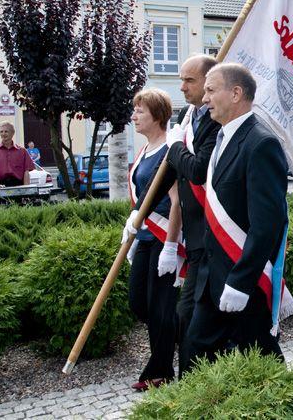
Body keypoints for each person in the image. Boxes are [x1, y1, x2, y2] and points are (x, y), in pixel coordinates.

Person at [186, 63, 293, 366]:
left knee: (261, 360)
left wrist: (240, 281)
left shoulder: (261, 143)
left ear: (236, 93)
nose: (204, 98)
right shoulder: (223, 137)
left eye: (210, 90)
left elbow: (267, 225)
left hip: (242, 281)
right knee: (195, 353)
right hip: (212, 278)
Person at [133, 54, 222, 375]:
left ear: (210, 83)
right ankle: (190, 380)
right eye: (181, 79)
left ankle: (189, 382)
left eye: (189, 80)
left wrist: (175, 149)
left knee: (193, 319)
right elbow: (170, 174)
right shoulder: (190, 116)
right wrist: (138, 214)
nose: (181, 86)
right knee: (188, 317)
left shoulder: (214, 121)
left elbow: (197, 171)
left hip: (215, 234)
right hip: (199, 237)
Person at [120, 88, 182, 391]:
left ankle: (160, 371)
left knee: (159, 308)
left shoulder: (170, 150)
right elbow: (140, 196)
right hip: (144, 237)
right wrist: (131, 224)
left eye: (139, 111)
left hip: (162, 238)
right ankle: (184, 333)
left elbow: (176, 202)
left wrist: (171, 246)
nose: (133, 116)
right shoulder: (145, 151)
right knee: (139, 302)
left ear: (157, 115)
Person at [0, 122, 34, 188]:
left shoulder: (22, 151)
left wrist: (26, 189)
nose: (3, 134)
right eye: (1, 132)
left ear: (12, 133)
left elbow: (26, 172)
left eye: (6, 131)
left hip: (19, 185)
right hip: (1, 185)